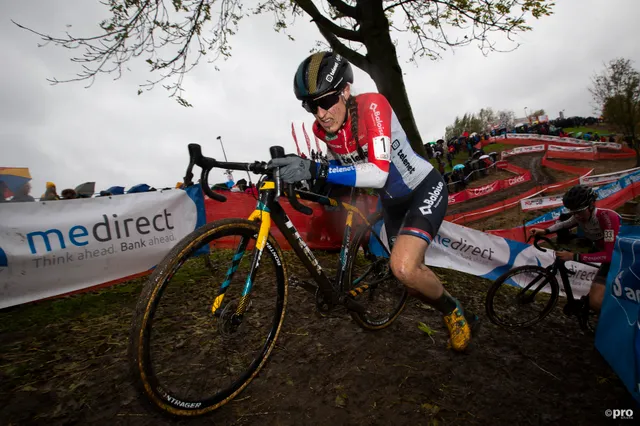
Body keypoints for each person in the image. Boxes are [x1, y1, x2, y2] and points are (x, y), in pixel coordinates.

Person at [269, 51, 478, 351]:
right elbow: (341, 168)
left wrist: (317, 168)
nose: (320, 113)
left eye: (326, 101)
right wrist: (308, 180)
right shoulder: (323, 130)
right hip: (391, 204)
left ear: (345, 91)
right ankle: (449, 306)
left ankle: (452, 310)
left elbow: (378, 173)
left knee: (404, 268)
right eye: (310, 105)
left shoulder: (372, 107)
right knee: (404, 276)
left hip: (423, 188)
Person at [529, 184, 621, 312]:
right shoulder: (579, 215)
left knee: (596, 303)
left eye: (579, 211)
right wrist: (544, 231)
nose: (576, 216)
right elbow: (565, 224)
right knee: (593, 300)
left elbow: (609, 255)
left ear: (591, 205)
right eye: (573, 212)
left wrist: (573, 256)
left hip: (621, 258)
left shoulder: (607, 218)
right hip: (603, 252)